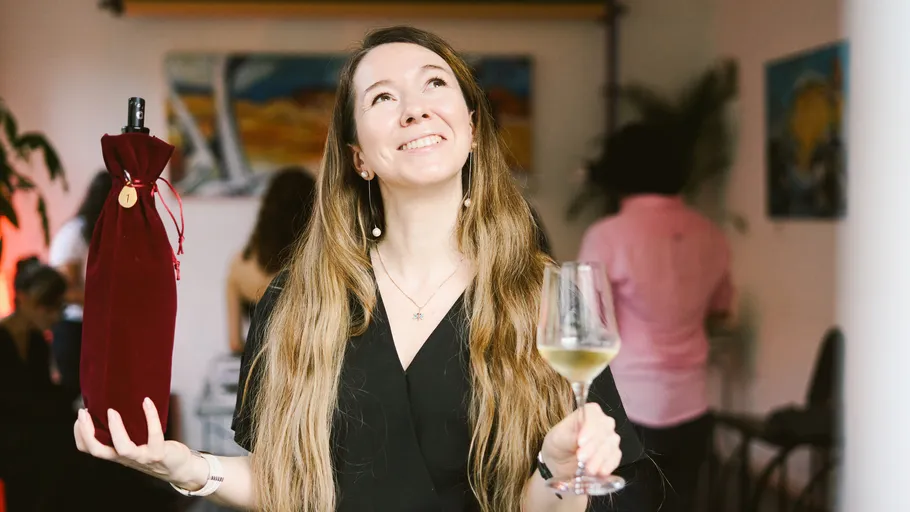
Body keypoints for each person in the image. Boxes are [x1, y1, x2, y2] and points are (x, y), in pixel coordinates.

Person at [74, 26, 658, 512]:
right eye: (382, 97)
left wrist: (558, 473)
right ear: (358, 158)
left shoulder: (541, 297)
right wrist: (186, 465)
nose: (415, 109)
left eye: (434, 84)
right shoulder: (298, 300)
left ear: (473, 130)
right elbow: (286, 486)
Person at [578, 123, 735, 512]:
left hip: (629, 404)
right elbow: (721, 311)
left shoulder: (608, 235)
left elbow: (587, 324)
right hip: (694, 402)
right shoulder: (711, 233)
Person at [0, 257, 75, 511]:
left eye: (58, 307)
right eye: (48, 307)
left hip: (32, 442)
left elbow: (43, 393)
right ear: (22, 298)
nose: (54, 316)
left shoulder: (37, 342)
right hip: (13, 446)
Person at [227, 167, 316, 354]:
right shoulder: (310, 270)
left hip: (259, 372)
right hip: (302, 374)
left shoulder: (239, 264)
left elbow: (235, 343)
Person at [48, 170, 112, 400]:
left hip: (95, 326)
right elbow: (65, 291)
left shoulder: (102, 233)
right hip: (73, 328)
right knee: (75, 396)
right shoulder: (74, 234)